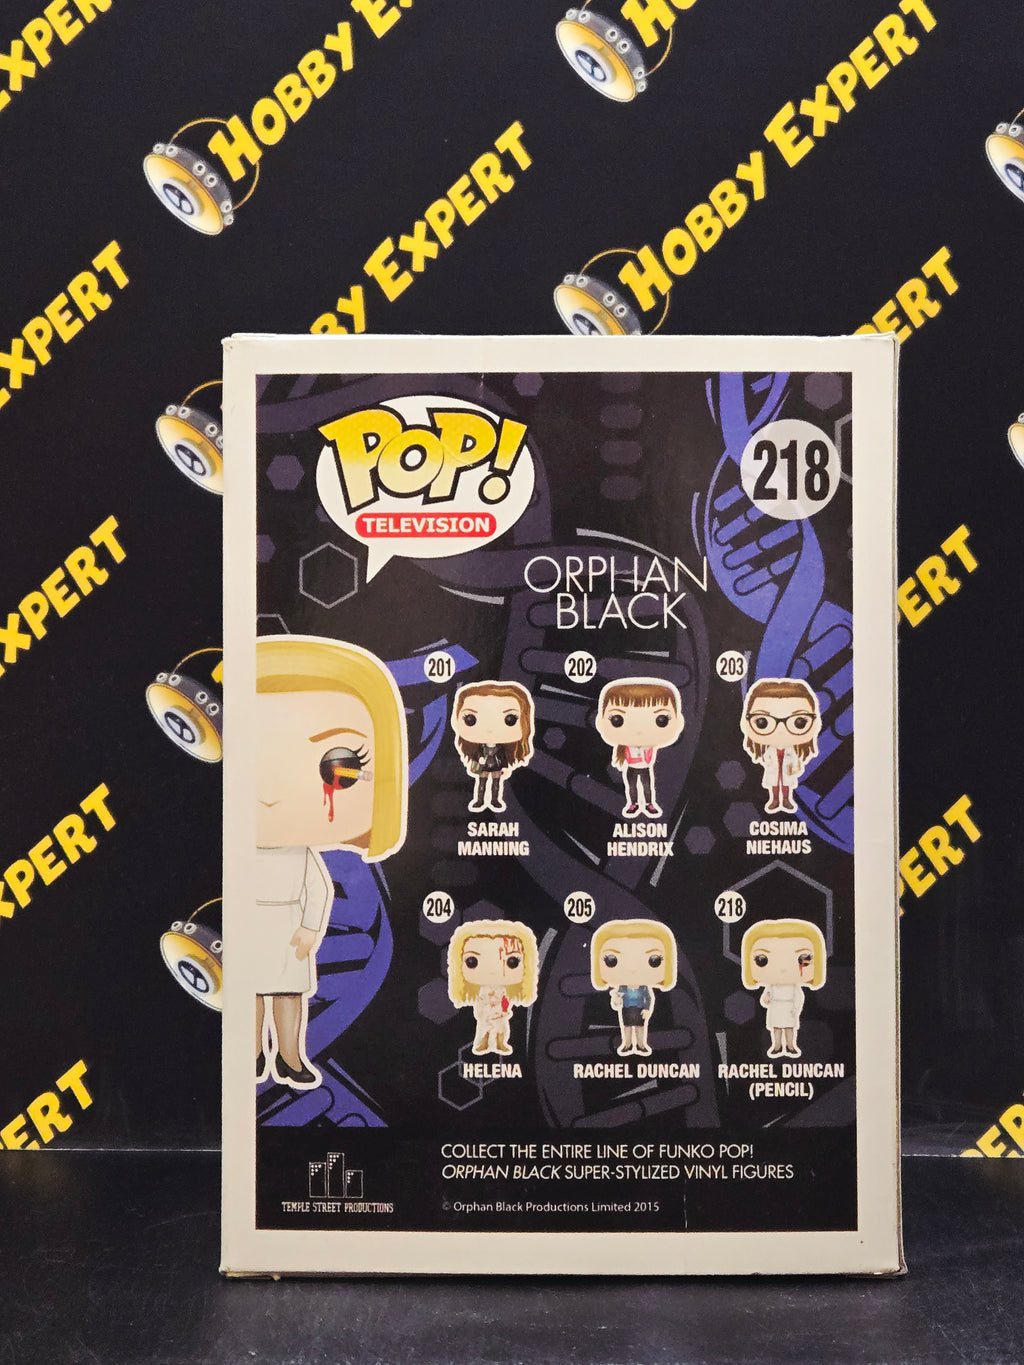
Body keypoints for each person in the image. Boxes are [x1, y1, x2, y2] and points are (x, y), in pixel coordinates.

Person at [255, 634, 407, 1089]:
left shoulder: (300, 852)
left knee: (288, 994)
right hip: (246, 928)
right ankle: (250, 1055)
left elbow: (318, 889)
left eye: (337, 765)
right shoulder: (237, 850)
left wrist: (309, 928)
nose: (272, 792)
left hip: (289, 928)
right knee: (250, 996)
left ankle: (289, 1056)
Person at [595, 678, 684, 818]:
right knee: (632, 787)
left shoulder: (649, 747)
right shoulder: (626, 747)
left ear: (679, 722)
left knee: (647, 787)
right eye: (617, 720)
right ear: (600, 722)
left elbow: (648, 758)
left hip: (645, 768)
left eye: (661, 720)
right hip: (631, 768)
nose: (639, 731)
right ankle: (633, 804)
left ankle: (649, 804)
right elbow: (630, 758)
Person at [447, 919, 539, 1055]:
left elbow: (505, 1002)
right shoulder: (483, 992)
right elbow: (480, 1004)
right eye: (472, 961)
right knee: (484, 1029)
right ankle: (482, 1044)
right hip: (486, 1015)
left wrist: (503, 1010)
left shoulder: (503, 991)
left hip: (500, 1016)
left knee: (501, 1030)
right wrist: (485, 1010)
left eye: (512, 961)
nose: (492, 971)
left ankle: (500, 1044)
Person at [740, 918, 827, 1058]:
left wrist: (796, 1009)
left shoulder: (794, 987)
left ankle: (791, 1046)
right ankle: (777, 1046)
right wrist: (767, 999)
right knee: (776, 1029)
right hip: (775, 1008)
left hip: (789, 1008)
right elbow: (765, 999)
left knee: (789, 1029)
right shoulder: (771, 986)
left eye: (803, 958)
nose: (782, 968)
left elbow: (799, 997)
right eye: (762, 960)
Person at [590, 919, 677, 1056]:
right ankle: (627, 1044)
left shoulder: (643, 988)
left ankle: (641, 1045)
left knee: (640, 1028)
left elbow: (649, 998)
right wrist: (616, 998)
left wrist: (647, 1009)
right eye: (612, 960)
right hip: (626, 1009)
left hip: (640, 1009)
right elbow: (617, 1000)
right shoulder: (622, 987)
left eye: (654, 960)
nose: (632, 970)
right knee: (627, 1028)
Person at [740, 678, 822, 814]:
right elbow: (765, 759)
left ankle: (786, 800)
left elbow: (796, 762)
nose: (780, 731)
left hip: (787, 771)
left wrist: (796, 767)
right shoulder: (769, 751)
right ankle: (774, 800)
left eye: (799, 722)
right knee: (774, 785)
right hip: (773, 770)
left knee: (786, 785)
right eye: (762, 722)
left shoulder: (791, 751)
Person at [451, 681, 534, 813]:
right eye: (470, 719)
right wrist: (477, 762)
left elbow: (503, 757)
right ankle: (480, 801)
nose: (490, 729)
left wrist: (505, 767)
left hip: (497, 767)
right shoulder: (480, 748)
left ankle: (495, 800)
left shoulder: (501, 749)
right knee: (481, 785)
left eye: (510, 719)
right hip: (483, 767)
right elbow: (477, 755)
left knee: (496, 785)